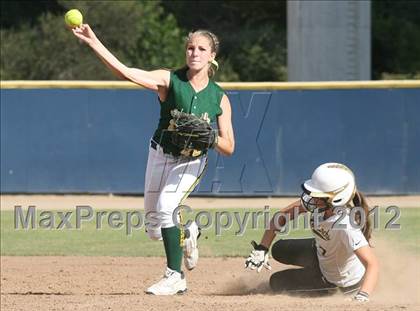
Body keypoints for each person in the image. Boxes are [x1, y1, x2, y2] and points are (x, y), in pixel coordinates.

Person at [71, 25, 235, 295]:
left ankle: (175, 276)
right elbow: (127, 73)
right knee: (154, 230)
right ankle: (189, 232)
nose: (194, 52)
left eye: (201, 49)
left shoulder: (219, 97)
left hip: (191, 161)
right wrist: (94, 42)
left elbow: (229, 146)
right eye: (190, 47)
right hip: (160, 153)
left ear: (212, 55)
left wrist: (211, 138)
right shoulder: (170, 80)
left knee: (166, 206)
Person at [245, 163, 379, 302]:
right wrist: (262, 248)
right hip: (322, 252)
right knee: (278, 249)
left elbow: (372, 264)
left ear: (336, 199)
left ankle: (324, 285)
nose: (311, 198)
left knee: (276, 282)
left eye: (318, 195)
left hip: (338, 282)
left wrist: (362, 296)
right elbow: (281, 217)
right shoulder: (320, 203)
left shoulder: (345, 225)